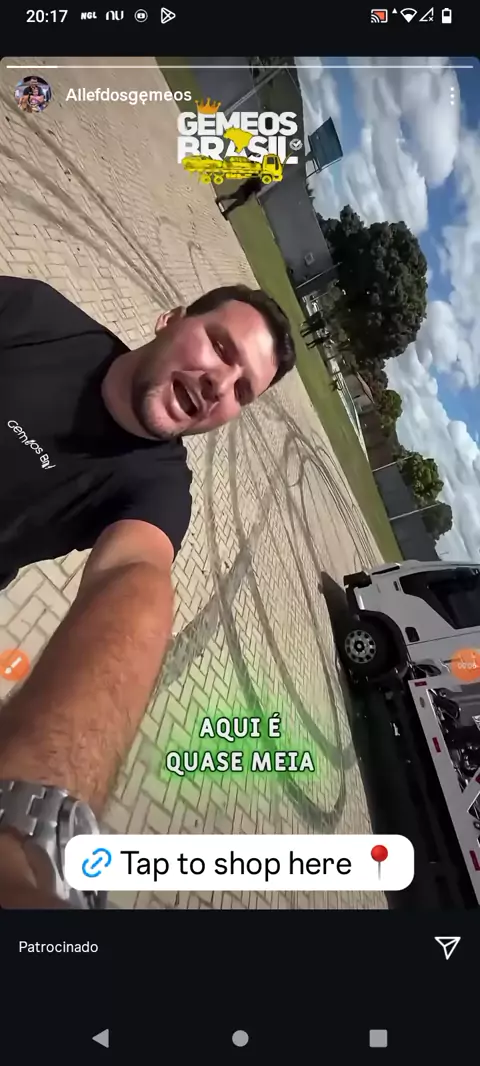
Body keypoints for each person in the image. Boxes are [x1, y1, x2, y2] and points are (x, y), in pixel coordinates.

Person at [0, 275, 296, 907]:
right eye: (220, 346)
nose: (219, 384)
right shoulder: (37, 315)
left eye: (242, 389)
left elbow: (132, 577)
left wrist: (32, 833)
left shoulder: (157, 491)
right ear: (170, 319)